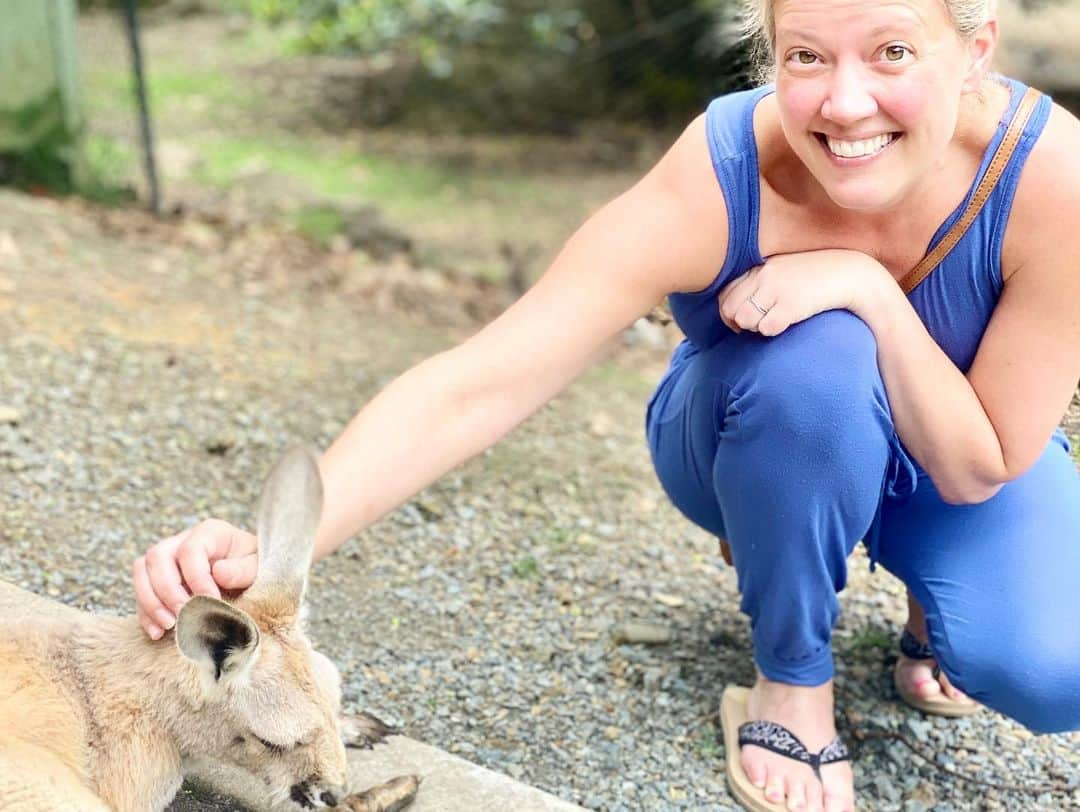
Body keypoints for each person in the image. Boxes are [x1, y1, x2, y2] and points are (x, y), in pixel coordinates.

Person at [132, 0, 1080, 809]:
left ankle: (926, 602)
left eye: (893, 52)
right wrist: (268, 560)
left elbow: (981, 461)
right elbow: (486, 377)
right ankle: (791, 679)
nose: (844, 101)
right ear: (771, 54)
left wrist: (863, 285)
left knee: (1052, 672)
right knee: (820, 365)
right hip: (759, 425)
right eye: (805, 56)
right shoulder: (717, 175)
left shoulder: (1051, 178)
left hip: (960, 455)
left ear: (978, 49)